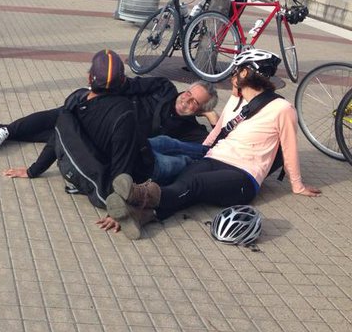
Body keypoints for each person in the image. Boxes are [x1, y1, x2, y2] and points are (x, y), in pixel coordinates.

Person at [99, 49, 321, 240]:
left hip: (244, 175)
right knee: (182, 184)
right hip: (214, 158)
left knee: (193, 185)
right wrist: (203, 152)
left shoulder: (282, 109)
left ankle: (138, 196)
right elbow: (218, 132)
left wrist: (297, 185)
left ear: (245, 73)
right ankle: (140, 215)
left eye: (235, 72)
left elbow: (289, 147)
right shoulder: (236, 99)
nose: (232, 77)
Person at [0, 76, 218, 185]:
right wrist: (101, 90)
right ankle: (6, 130)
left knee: (55, 136)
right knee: (58, 116)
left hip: (110, 136)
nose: (186, 100)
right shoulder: (164, 87)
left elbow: (213, 145)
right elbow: (130, 84)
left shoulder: (189, 129)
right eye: (188, 93)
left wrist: (212, 118)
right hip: (106, 110)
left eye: (194, 102)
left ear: (199, 110)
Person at [1, 49, 155, 187]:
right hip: (143, 165)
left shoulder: (76, 101)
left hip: (131, 150)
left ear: (89, 78)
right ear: (122, 82)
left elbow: (57, 136)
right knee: (169, 156)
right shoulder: (124, 111)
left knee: (163, 142)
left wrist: (32, 171)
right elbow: (121, 167)